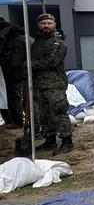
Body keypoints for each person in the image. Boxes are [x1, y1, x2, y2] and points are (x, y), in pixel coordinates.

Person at [30, 13, 73, 154]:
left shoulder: (58, 43)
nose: (46, 26)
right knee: (44, 115)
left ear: (54, 25)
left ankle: (67, 141)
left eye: (49, 23)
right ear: (38, 25)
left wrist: (29, 65)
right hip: (39, 85)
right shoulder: (36, 43)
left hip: (54, 84)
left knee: (59, 112)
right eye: (43, 23)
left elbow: (51, 61)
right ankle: (50, 141)